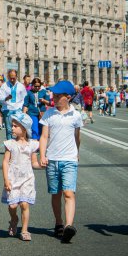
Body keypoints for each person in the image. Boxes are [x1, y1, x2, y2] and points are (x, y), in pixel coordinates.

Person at [39, 80, 82, 244]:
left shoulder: (76, 115)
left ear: (68, 97)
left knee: (69, 193)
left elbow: (77, 137)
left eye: (58, 95)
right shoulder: (49, 114)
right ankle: (59, 222)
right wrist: (42, 155)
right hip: (52, 159)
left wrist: (77, 153)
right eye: (53, 94)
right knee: (56, 193)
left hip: (69, 159)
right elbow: (44, 137)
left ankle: (69, 226)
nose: (54, 97)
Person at [1, 112, 41, 241]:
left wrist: (43, 165)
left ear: (24, 129)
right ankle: (14, 219)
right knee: (12, 205)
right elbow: (5, 162)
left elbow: (34, 163)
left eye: (15, 126)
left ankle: (24, 230)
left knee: (24, 204)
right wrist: (6, 180)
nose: (12, 128)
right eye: (12, 126)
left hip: (27, 178)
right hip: (13, 178)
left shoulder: (32, 144)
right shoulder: (10, 144)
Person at [0, 70, 27, 140]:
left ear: (16, 76)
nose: (12, 79)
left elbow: (25, 97)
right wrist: (6, 98)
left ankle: (18, 145)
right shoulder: (4, 86)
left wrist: (22, 108)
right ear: (8, 77)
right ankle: (9, 147)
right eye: (10, 78)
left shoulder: (21, 86)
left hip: (18, 109)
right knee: (9, 129)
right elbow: (0, 98)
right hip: (7, 109)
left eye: (14, 78)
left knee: (19, 129)